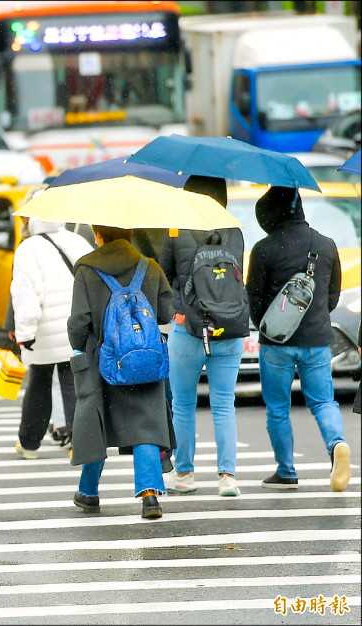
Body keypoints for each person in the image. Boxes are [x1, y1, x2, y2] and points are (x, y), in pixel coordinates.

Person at [246, 186, 350, 492]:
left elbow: (255, 301)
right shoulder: (327, 245)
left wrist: (272, 326)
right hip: (318, 339)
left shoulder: (264, 248)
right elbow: (332, 298)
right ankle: (337, 444)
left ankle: (286, 471)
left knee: (278, 407)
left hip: (277, 344)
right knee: (322, 402)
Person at [67, 225, 173, 519]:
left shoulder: (87, 271)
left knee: (96, 423)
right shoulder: (150, 267)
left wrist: (81, 344)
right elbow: (165, 312)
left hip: (103, 360)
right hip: (144, 359)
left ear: (98, 236)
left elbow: (78, 321)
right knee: (146, 424)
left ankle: (89, 492)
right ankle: (150, 494)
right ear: (130, 234)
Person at [158, 175, 248, 497]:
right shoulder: (235, 232)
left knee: (183, 404)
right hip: (228, 328)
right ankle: (227, 477)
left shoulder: (177, 232)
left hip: (188, 329)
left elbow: (164, 277)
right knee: (224, 404)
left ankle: (184, 473)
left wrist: (178, 309)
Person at [11, 217, 93, 458]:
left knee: (39, 384)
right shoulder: (79, 242)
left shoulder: (28, 248)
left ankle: (29, 444)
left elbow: (25, 293)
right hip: (74, 327)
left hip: (43, 332)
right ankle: (79, 442)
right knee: (73, 383)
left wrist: (25, 332)